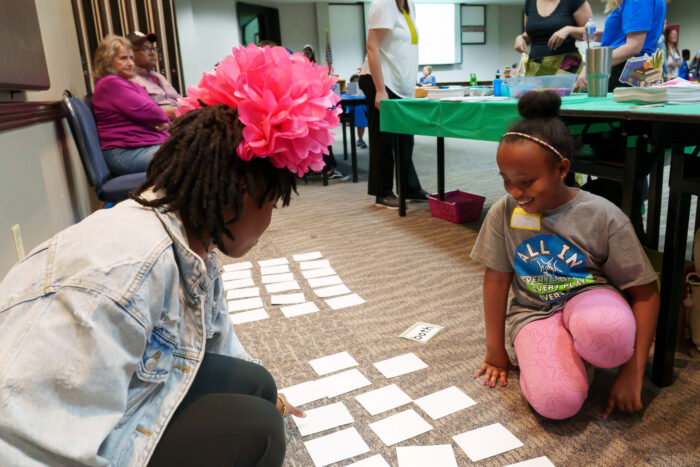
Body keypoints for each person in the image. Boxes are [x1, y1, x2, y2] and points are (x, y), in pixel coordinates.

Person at [0, 43, 343, 465]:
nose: (270, 221)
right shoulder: (119, 279)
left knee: (258, 386)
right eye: (272, 204)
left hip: (123, 393)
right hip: (59, 441)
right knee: (259, 429)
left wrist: (266, 385)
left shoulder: (191, 233)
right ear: (240, 194)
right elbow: (28, 442)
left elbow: (213, 337)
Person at [471, 90, 660, 420]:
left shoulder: (604, 216)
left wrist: (633, 371)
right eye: (506, 180)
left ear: (562, 169)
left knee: (610, 336)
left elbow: (645, 293)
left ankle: (585, 348)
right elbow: (496, 280)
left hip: (588, 298)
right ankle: (571, 359)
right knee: (557, 402)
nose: (515, 193)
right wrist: (495, 349)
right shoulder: (504, 212)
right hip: (534, 313)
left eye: (526, 182)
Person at [359, 0, 428, 209]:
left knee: (406, 138)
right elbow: (372, 46)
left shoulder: (408, 6)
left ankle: (409, 187)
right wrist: (380, 90)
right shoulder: (384, 4)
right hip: (381, 81)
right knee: (384, 140)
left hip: (400, 85)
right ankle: (383, 192)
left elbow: (402, 51)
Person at [92, 35, 170, 175]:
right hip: (126, 154)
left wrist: (158, 120)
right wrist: (157, 119)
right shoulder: (110, 83)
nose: (130, 63)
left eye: (131, 58)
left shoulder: (131, 85)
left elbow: (156, 115)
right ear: (107, 61)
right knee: (190, 155)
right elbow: (153, 112)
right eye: (123, 58)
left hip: (145, 146)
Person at [576, 0, 666, 92]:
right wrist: (609, 35)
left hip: (627, 69)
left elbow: (634, 47)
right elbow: (643, 35)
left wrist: (592, 65)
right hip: (641, 68)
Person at [514, 0, 593, 76]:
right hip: (536, 64)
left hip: (566, 64)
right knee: (530, 89)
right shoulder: (530, 2)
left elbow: (591, 31)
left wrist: (569, 30)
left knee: (561, 90)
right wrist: (520, 38)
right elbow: (530, 34)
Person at [128, 31, 182, 120]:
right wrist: (166, 114)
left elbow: (179, 100)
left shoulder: (158, 76)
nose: (152, 53)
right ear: (130, 54)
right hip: (164, 125)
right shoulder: (131, 81)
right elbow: (141, 114)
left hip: (183, 119)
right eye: (144, 49)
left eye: (152, 48)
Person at [349, 73, 368, 149]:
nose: (356, 83)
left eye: (358, 81)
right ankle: (360, 139)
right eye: (354, 82)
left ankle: (360, 139)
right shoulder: (350, 89)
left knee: (362, 125)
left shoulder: (364, 88)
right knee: (360, 124)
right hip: (355, 107)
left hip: (363, 106)